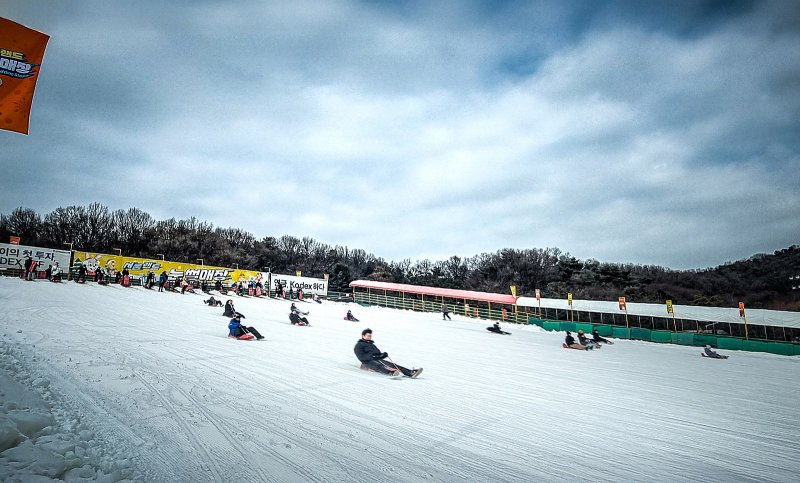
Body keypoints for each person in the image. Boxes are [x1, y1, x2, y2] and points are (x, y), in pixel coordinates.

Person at [354, 329, 422, 378]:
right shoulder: (359, 345)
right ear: (363, 336)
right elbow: (361, 356)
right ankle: (390, 372)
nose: (370, 337)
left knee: (393, 364)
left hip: (377, 359)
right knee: (379, 365)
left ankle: (410, 372)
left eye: (370, 336)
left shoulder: (372, 345)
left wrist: (383, 355)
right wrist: (373, 356)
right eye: (368, 336)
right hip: (367, 363)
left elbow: (378, 353)